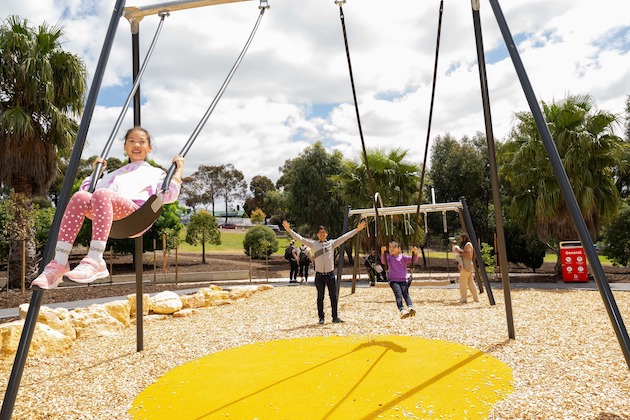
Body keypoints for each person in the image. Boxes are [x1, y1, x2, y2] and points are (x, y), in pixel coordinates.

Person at [31, 127, 185, 289]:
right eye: (131, 141)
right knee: (79, 197)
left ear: (149, 148)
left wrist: (178, 170)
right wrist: (95, 173)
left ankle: (96, 257)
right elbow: (86, 193)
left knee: (102, 194)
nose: (136, 145)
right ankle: (60, 262)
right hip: (110, 218)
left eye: (142, 142)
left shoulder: (156, 173)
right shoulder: (113, 175)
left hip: (138, 215)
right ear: (125, 148)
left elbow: (169, 195)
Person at [283, 219, 367, 324]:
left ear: (326, 234)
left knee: (333, 296)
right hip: (319, 276)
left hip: (330, 275)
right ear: (317, 235)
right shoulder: (313, 244)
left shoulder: (331, 244)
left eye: (324, 232)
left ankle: (335, 317)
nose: (322, 234)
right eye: (320, 233)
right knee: (320, 297)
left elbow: (344, 237)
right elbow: (301, 239)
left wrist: (357, 230)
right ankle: (321, 318)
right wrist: (289, 230)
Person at [381, 241, 418, 319]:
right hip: (393, 280)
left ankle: (410, 307)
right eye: (390, 247)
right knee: (398, 294)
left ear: (399, 249)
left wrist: (415, 252)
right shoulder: (389, 257)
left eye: (393, 247)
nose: (391, 249)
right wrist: (383, 252)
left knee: (406, 294)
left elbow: (413, 260)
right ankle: (402, 310)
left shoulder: (403, 257)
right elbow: (383, 261)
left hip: (403, 280)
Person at [452, 233, 479, 304]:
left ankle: (463, 299)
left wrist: (460, 253)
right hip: (468, 265)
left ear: (464, 238)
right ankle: (476, 298)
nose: (460, 240)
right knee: (470, 283)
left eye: (461, 238)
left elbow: (469, 255)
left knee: (462, 283)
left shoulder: (468, 245)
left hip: (466, 265)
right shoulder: (467, 245)